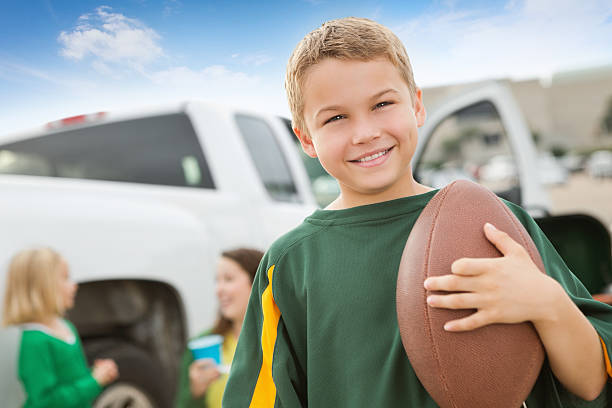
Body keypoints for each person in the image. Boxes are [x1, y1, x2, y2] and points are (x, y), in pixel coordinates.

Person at [223, 17, 612, 407]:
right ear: (306, 138)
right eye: (336, 117)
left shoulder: (498, 226)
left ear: (417, 106)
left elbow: (592, 381)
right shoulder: (290, 263)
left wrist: (547, 302)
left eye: (382, 104)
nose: (365, 133)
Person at [2, 247, 118, 407]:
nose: (74, 285)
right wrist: (94, 381)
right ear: (42, 288)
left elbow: (72, 381)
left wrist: (96, 375)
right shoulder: (35, 342)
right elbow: (45, 402)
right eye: (65, 278)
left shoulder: (65, 327)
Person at [175, 247, 264, 408]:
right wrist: (196, 392)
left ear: (257, 282)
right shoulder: (201, 345)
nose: (219, 290)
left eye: (228, 279)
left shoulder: (279, 341)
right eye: (217, 281)